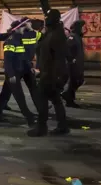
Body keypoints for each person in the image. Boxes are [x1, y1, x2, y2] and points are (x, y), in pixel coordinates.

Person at [27, 9, 69, 137]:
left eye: (47, 17)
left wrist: (58, 77)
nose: (46, 19)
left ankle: (41, 127)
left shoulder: (56, 35)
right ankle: (62, 126)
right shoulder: (52, 32)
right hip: (49, 72)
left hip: (50, 74)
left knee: (42, 99)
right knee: (55, 100)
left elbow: (59, 58)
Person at [0, 18, 41, 121]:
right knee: (19, 95)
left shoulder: (20, 38)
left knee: (6, 92)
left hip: (23, 68)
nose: (24, 28)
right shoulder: (11, 40)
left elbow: (23, 55)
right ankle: (28, 115)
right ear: (17, 29)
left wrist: (30, 67)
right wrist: (11, 74)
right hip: (14, 71)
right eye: (22, 27)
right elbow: (8, 60)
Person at [61, 20, 86, 108]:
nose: (85, 28)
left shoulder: (78, 36)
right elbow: (67, 48)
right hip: (73, 64)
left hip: (78, 64)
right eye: (83, 26)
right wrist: (71, 59)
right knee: (74, 81)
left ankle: (67, 95)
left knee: (79, 80)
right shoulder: (72, 37)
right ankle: (69, 99)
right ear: (79, 27)